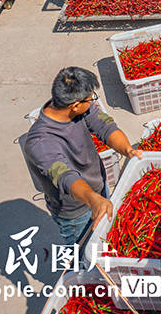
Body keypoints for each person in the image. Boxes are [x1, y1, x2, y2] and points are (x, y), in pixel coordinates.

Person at [24, 67, 141, 244]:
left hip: (97, 190)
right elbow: (66, 177)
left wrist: (128, 150)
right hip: (75, 210)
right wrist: (93, 200)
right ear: (75, 105)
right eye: (90, 99)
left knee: (106, 239)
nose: (92, 102)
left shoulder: (76, 108)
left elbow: (105, 126)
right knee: (84, 253)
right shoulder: (40, 142)